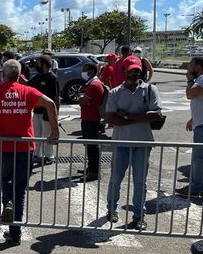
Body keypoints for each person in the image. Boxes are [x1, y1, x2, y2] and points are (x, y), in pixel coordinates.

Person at [0, 59, 59, 246]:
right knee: (20, 190)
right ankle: (15, 234)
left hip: (4, 146)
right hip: (25, 147)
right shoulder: (28, 91)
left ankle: (7, 202)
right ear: (20, 75)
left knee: (6, 181)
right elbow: (50, 103)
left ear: (3, 74)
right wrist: (54, 131)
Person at [105, 55, 163, 231]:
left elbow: (156, 114)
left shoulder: (150, 90)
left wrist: (126, 116)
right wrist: (140, 118)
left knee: (140, 181)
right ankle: (112, 210)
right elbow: (110, 118)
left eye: (137, 70)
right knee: (116, 179)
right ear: (123, 71)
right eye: (131, 71)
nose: (135, 74)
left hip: (142, 143)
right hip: (121, 143)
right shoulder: (115, 92)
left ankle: (139, 215)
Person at [176, 57, 203, 198]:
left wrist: (189, 80)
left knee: (199, 159)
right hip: (199, 123)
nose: (188, 67)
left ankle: (195, 188)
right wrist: (193, 119)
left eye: (191, 64)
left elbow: (190, 94)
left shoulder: (201, 79)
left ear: (198, 67)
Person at [28, 55, 60, 165]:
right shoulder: (38, 76)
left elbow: (56, 98)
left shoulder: (52, 78)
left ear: (44, 64)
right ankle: (37, 154)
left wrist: (56, 114)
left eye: (38, 63)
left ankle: (49, 156)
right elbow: (28, 85)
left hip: (47, 112)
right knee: (36, 134)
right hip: (37, 110)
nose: (36, 65)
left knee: (47, 135)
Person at [78, 62, 105, 182]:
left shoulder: (94, 85)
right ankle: (91, 168)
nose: (83, 71)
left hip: (91, 119)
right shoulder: (92, 84)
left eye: (85, 69)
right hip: (88, 118)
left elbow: (83, 101)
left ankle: (94, 171)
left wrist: (82, 99)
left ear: (91, 71)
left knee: (93, 146)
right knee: (90, 145)